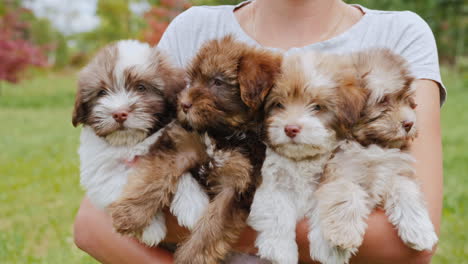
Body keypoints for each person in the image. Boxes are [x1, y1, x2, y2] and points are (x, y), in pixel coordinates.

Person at [73, 0, 445, 263]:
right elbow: (98, 220)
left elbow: (410, 242)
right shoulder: (196, 29)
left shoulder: (398, 34)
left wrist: (240, 224)